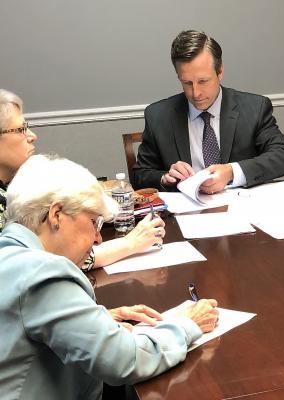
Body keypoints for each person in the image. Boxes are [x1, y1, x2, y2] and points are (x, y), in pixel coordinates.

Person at [0, 154, 219, 399]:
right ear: (56, 215)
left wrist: (92, 319)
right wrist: (187, 325)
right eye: (94, 222)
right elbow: (125, 361)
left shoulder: (9, 253)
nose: (98, 238)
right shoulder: (43, 273)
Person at [0, 89, 165, 270]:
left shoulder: (12, 185)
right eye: (21, 129)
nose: (32, 136)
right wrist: (130, 244)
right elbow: (44, 262)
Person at [132, 30, 284, 194]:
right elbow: (140, 175)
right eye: (187, 83)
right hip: (186, 213)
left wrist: (232, 171)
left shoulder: (254, 108)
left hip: (243, 209)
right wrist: (165, 177)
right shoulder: (159, 116)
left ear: (220, 72)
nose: (196, 93)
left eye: (203, 81)